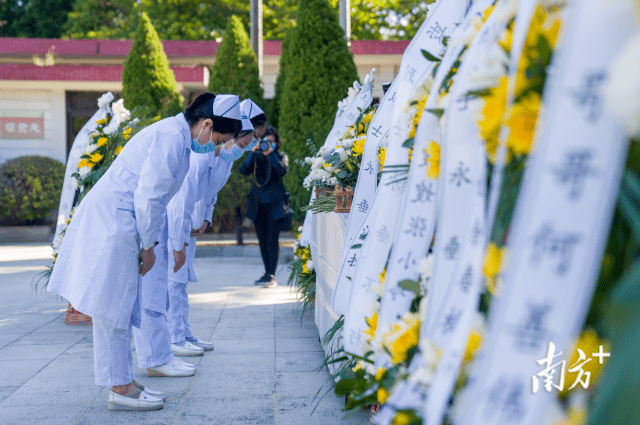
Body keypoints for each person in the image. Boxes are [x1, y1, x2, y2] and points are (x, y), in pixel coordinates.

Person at [47, 92, 242, 411]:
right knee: (112, 305)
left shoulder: (177, 136)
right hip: (116, 221)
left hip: (125, 221)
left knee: (121, 304)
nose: (215, 144)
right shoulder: (170, 137)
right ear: (206, 124)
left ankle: (123, 380)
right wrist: (149, 246)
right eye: (218, 137)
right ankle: (120, 387)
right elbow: (150, 196)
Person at [166, 99, 268, 352]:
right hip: (175, 222)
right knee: (174, 280)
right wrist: (181, 237)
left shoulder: (225, 157)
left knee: (181, 280)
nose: (249, 146)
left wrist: (206, 219)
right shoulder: (203, 155)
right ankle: (174, 338)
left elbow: (209, 194)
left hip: (188, 223)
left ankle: (183, 333)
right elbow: (183, 199)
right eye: (246, 141)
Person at [238, 126, 288, 288]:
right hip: (257, 205)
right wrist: (253, 152)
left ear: (276, 142)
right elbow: (243, 170)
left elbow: (282, 170)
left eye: (271, 142)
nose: (268, 144)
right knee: (262, 241)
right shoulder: (256, 156)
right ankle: (267, 273)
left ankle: (272, 275)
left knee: (273, 241)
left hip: (274, 206)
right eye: (266, 141)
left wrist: (271, 154)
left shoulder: (280, 155)